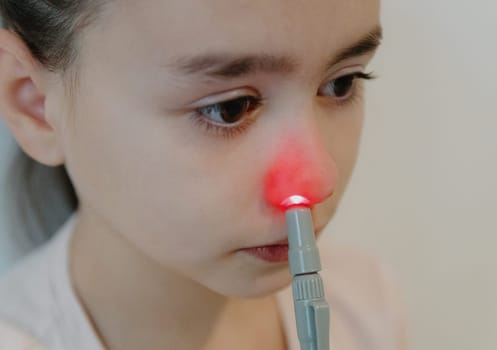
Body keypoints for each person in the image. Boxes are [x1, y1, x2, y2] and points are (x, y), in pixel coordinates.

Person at [0, 0, 407, 349]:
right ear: (36, 105)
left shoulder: (365, 306)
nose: (317, 181)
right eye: (229, 108)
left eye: (341, 84)